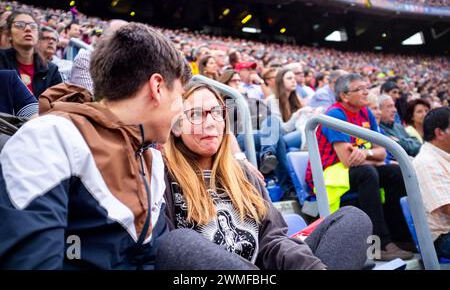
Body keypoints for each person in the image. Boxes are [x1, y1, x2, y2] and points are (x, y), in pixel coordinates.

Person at [0, 23, 233, 270]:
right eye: (179, 97)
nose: (180, 110)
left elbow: (149, 259)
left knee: (182, 244)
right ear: (157, 87)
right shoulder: (49, 137)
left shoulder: (151, 159)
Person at [163, 82, 373, 270]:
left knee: (353, 219)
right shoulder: (162, 176)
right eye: (196, 114)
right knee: (180, 241)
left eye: (217, 112)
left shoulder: (244, 174)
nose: (210, 123)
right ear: (176, 127)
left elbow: (272, 241)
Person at [305, 73, 414, 261]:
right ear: (344, 95)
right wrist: (371, 156)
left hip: (353, 169)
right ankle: (380, 243)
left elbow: (382, 153)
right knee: (367, 173)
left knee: (395, 172)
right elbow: (347, 160)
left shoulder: (366, 113)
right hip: (327, 174)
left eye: (366, 87)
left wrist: (365, 154)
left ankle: (399, 237)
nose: (366, 92)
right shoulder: (335, 114)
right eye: (359, 89)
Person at [413, 107, 450, 259]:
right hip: (443, 237)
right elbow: (448, 208)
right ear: (439, 133)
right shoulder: (427, 162)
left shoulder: (442, 155)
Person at [0, 10, 62, 98]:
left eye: (33, 26)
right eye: (20, 25)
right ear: (9, 34)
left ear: (38, 35)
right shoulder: (1, 61)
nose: (28, 29)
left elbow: (59, 103)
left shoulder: (51, 70)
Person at [69, 19, 128, 94]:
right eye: (120, 38)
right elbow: (90, 97)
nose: (126, 44)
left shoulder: (131, 63)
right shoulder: (86, 58)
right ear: (103, 38)